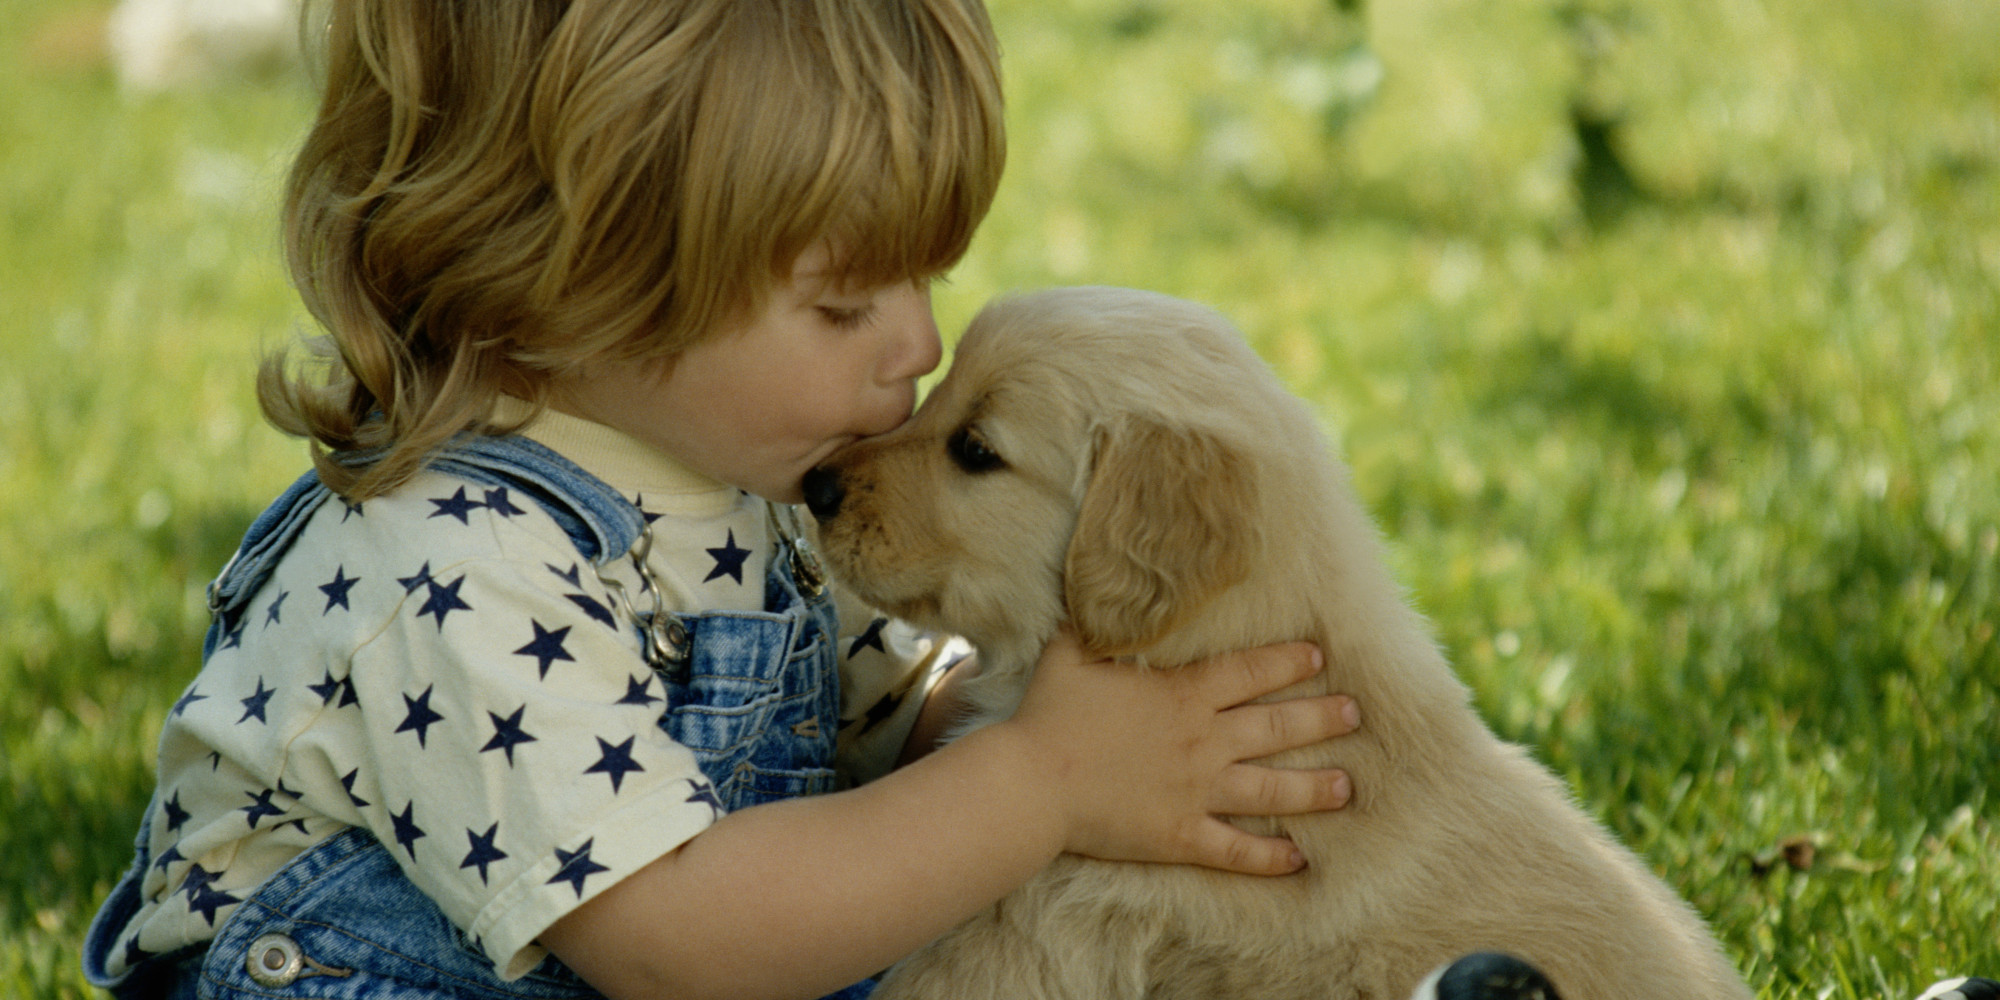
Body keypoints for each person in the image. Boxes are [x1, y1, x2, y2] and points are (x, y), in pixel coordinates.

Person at [81, 2, 1361, 999]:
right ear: (578, 277)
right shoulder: (446, 567)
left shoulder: (733, 478)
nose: (915, 344)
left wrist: (1069, 718)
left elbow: (880, 722)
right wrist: (1044, 780)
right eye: (842, 303)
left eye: (926, 279)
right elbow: (687, 946)